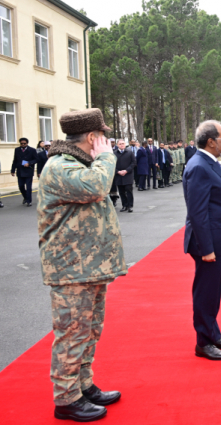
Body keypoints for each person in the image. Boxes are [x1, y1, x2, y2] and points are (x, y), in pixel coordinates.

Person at [37, 108, 127, 422]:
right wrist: (106, 157)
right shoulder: (59, 166)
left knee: (89, 330)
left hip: (89, 266)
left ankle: (83, 385)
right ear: (92, 137)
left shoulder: (79, 163)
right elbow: (96, 187)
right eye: (102, 136)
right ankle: (66, 398)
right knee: (72, 333)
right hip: (71, 269)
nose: (105, 142)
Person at [183, 120, 221, 360]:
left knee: (213, 292)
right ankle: (203, 343)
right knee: (206, 293)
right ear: (211, 142)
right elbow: (197, 212)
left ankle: (213, 333)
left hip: (218, 240)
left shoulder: (208, 162)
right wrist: (207, 249)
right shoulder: (198, 166)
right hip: (209, 244)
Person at [11, 137, 38, 207]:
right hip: (20, 171)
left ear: (27, 143)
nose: (23, 145)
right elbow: (15, 160)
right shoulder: (17, 150)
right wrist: (12, 170)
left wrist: (29, 163)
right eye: (21, 143)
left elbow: (36, 159)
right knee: (21, 186)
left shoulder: (32, 150)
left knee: (28, 187)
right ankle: (25, 197)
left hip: (28, 170)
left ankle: (29, 201)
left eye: (24, 143)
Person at [113, 139, 136, 213]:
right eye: (120, 144)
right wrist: (118, 171)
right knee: (121, 191)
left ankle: (130, 206)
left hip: (128, 175)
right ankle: (124, 205)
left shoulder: (129, 152)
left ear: (125, 144)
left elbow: (133, 163)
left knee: (128, 190)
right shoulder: (114, 154)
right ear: (117, 145)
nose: (121, 145)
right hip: (119, 175)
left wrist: (126, 170)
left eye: (123, 143)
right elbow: (112, 164)